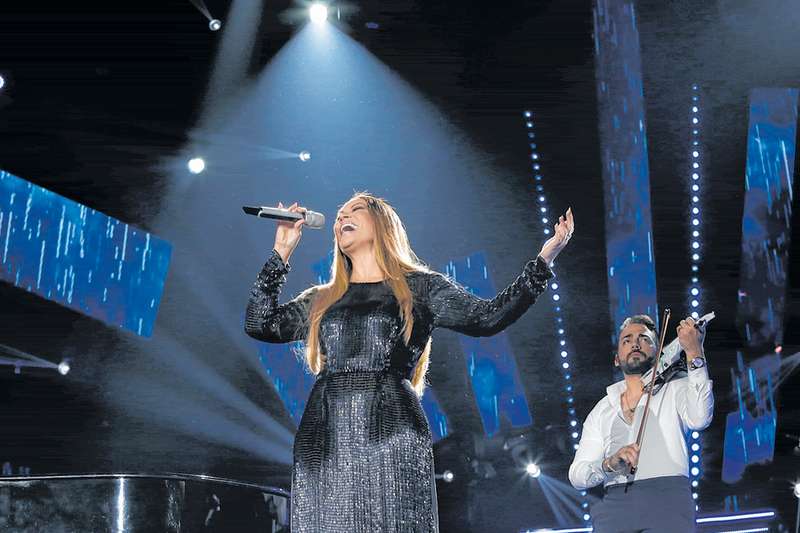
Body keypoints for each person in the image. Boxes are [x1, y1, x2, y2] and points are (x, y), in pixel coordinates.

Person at [245, 192, 574, 533]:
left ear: (382, 224)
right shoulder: (322, 299)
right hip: (324, 435)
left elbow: (487, 317)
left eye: (355, 210)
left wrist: (544, 261)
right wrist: (282, 250)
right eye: (340, 214)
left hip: (389, 427)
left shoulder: (420, 288)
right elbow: (259, 323)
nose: (342, 217)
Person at [568, 314, 714, 533]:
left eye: (644, 339)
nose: (635, 344)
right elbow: (577, 475)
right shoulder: (602, 409)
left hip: (668, 500)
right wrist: (608, 464)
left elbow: (700, 418)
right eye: (626, 340)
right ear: (616, 359)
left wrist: (694, 352)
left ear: (659, 353)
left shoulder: (676, 387)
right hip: (614, 506)